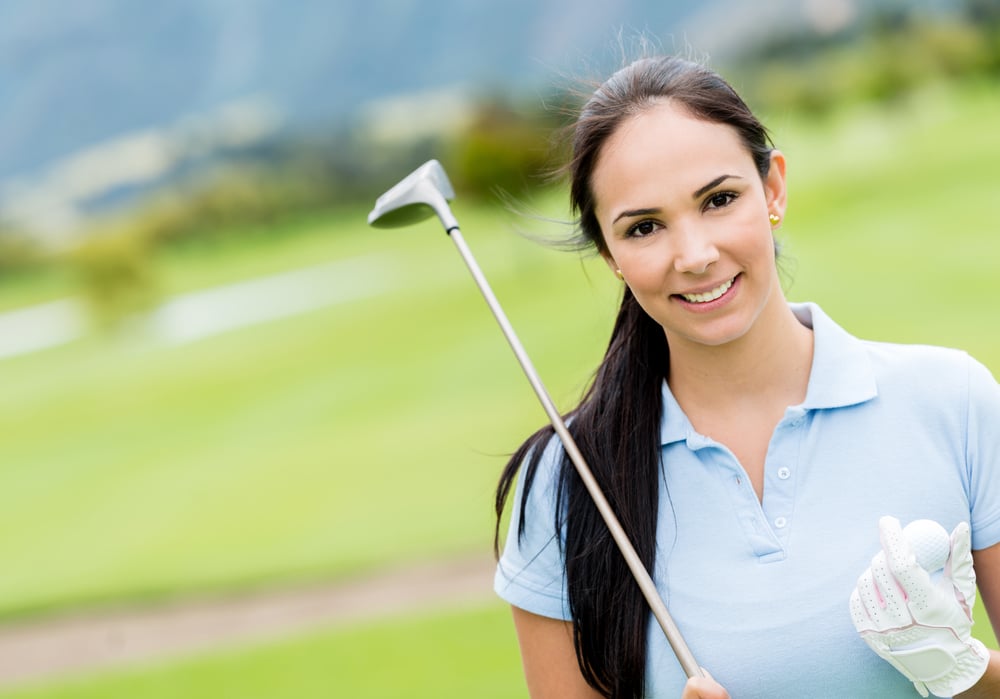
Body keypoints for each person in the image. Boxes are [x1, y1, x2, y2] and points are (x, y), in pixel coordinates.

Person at [492, 55, 1000, 698]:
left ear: (774, 189)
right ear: (608, 252)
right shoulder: (567, 481)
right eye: (644, 227)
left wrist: (962, 671)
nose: (696, 255)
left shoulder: (954, 401)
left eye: (720, 200)